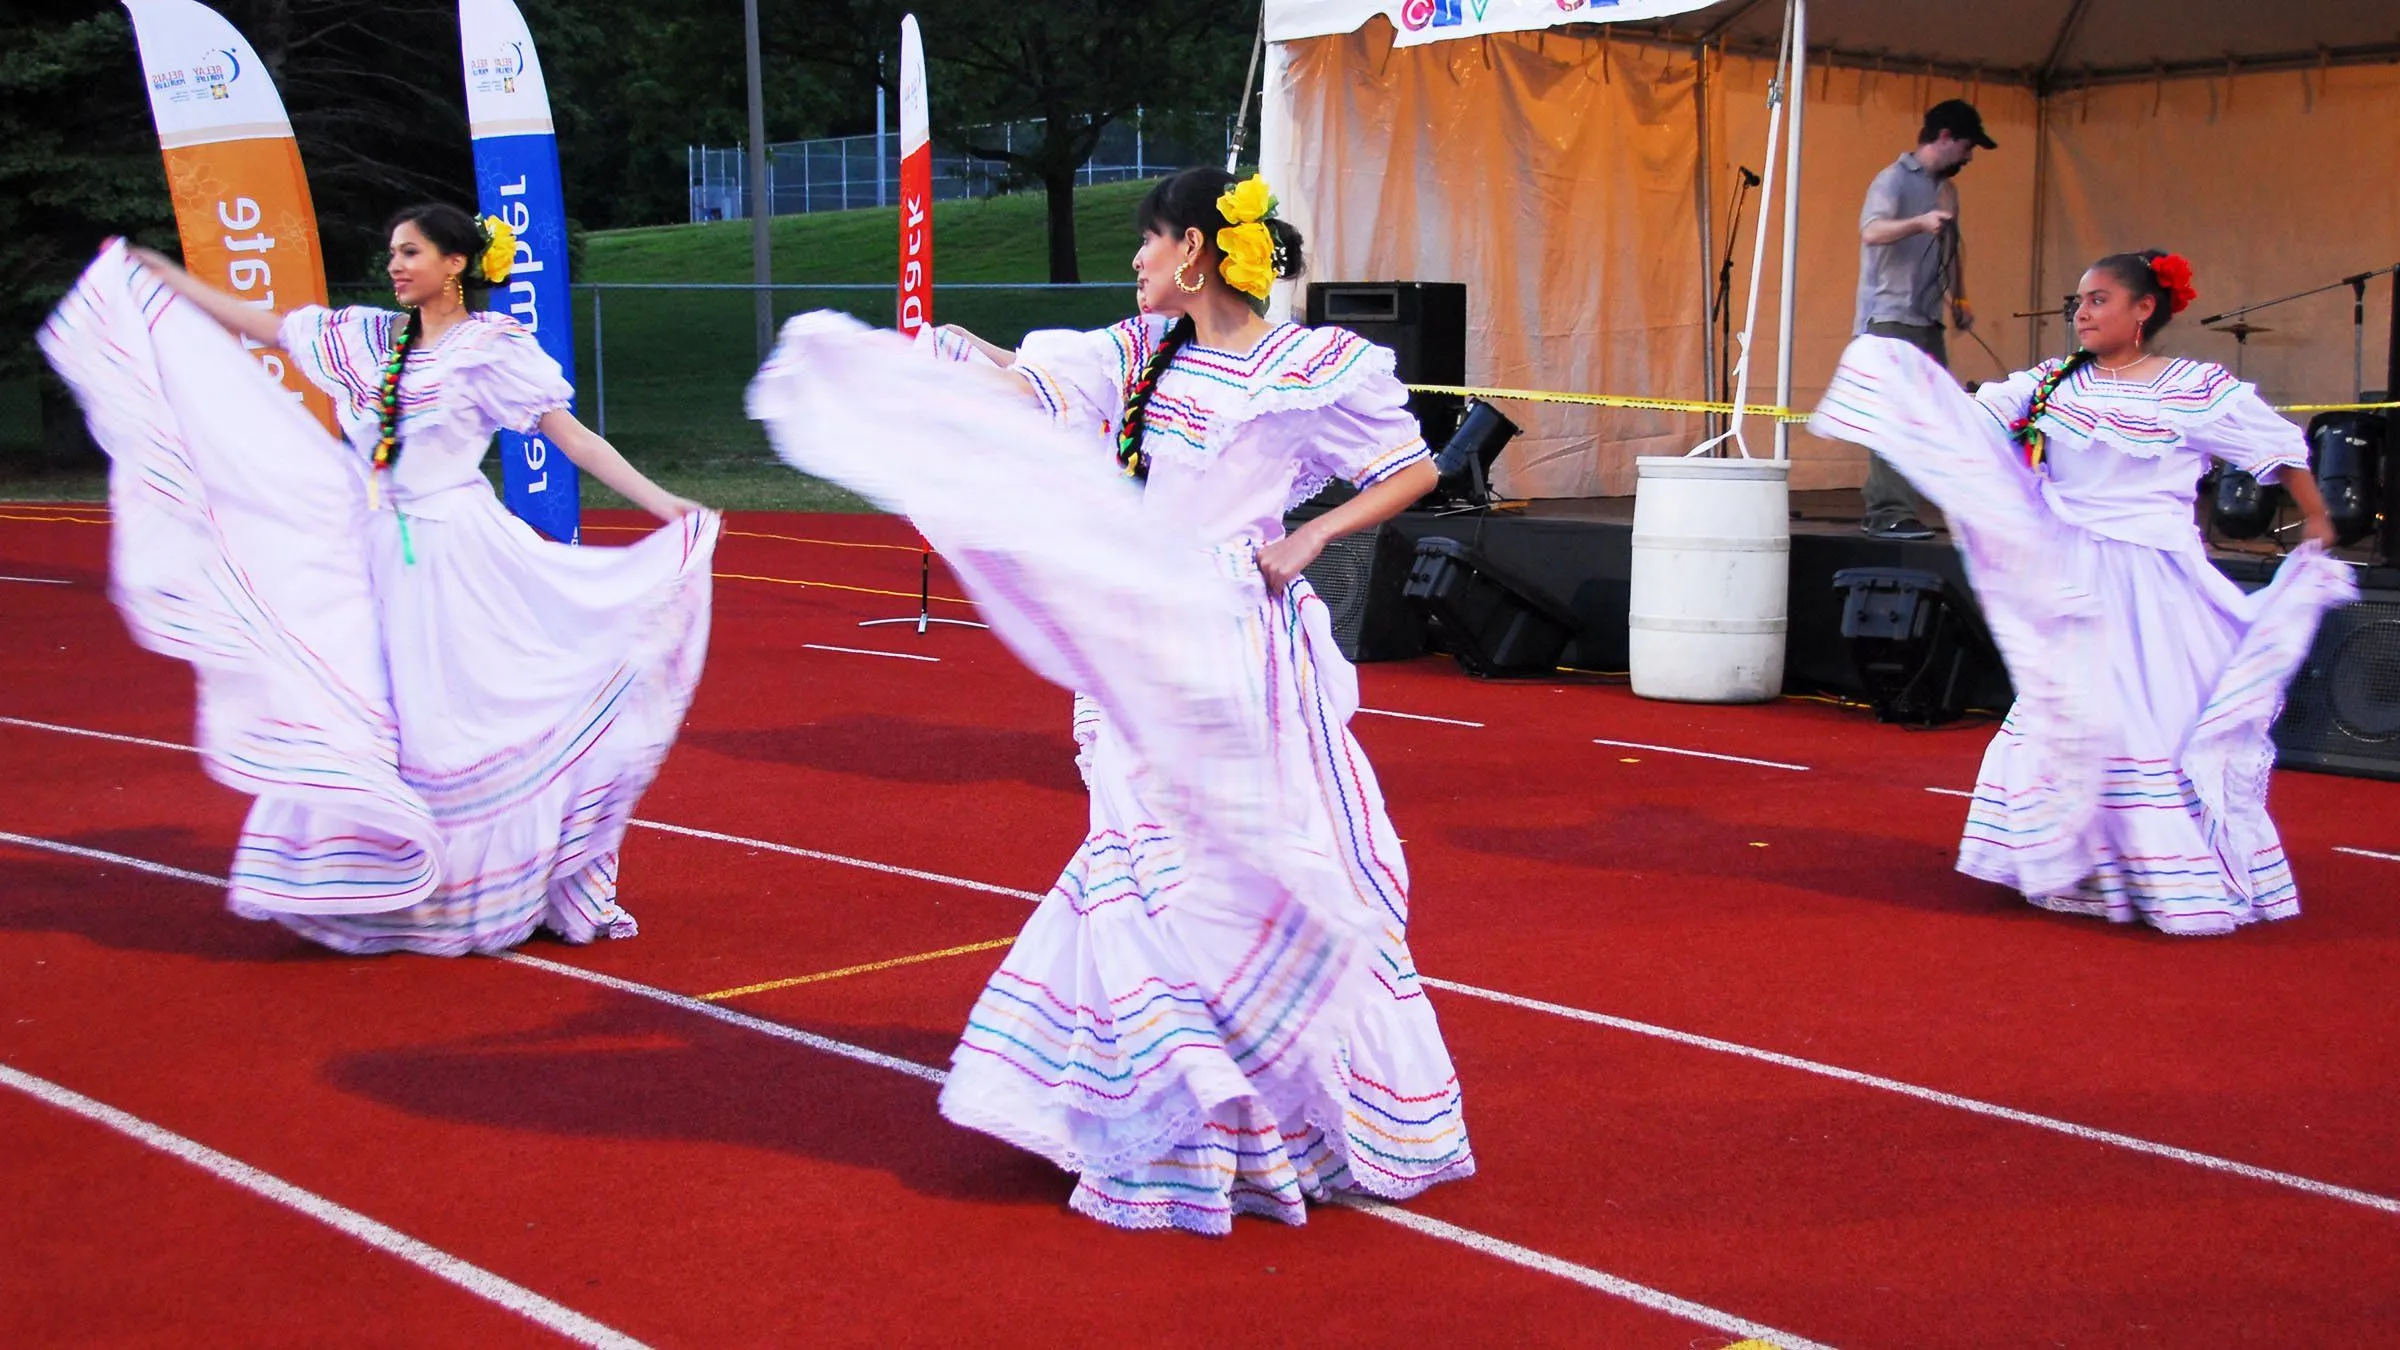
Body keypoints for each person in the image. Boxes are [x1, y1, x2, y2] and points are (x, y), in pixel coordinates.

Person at [747, 167, 1473, 1233]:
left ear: (1193, 250)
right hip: (1144, 640)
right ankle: (1184, 1118)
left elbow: (1411, 467)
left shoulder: (1314, 362)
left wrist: (1313, 533)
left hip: (1246, 645)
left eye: (1145, 241)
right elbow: (1034, 390)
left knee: (1249, 862)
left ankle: (1263, 1111)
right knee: (1146, 868)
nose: (1132, 262)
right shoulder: (1135, 353)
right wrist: (939, 361)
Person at [38, 207, 719, 955]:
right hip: (373, 552)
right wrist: (162, 274)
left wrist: (662, 502)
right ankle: (386, 884)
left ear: (456, 264)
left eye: (412, 251)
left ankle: (476, 890)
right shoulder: (369, 338)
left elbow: (572, 437)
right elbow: (265, 326)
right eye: (392, 251)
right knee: (378, 710)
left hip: (456, 554)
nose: (395, 264)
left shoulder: (490, 349)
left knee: (455, 716)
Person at [1814, 249, 2355, 935]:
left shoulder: (2192, 387)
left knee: (2149, 718)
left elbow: (2276, 447)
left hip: (2153, 582)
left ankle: (2160, 868)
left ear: (2144, 308)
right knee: (2076, 709)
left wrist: (2316, 516)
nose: (2083, 313)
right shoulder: (2052, 384)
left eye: (2098, 299)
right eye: (2079, 302)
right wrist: (1902, 386)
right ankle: (2086, 864)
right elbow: (1972, 422)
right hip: (2072, 576)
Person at [1854, 98, 1996, 541]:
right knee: (1896, 414)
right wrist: (1919, 222)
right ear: (1945, 138)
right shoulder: (1892, 179)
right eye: (1967, 146)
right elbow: (1870, 231)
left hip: (1927, 317)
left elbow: (1953, 245)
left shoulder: (1947, 190)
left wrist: (1962, 297)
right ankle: (1887, 512)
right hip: (1889, 315)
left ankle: (1929, 506)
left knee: (1937, 415)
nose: (1970, 157)